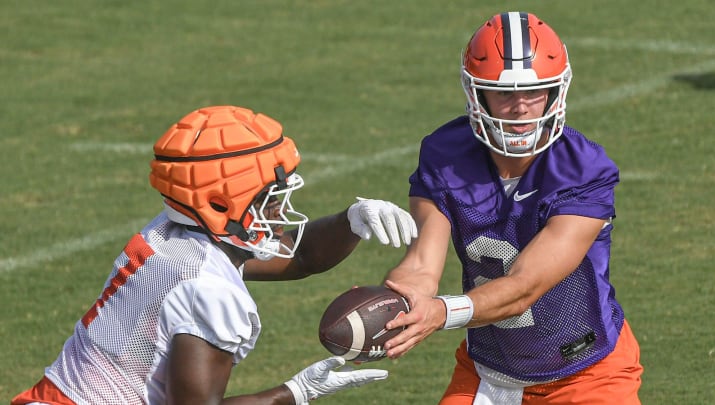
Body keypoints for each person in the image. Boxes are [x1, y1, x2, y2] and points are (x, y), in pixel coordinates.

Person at [12, 105, 417, 405]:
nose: (279, 212)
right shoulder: (208, 289)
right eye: (270, 201)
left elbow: (302, 255)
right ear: (219, 205)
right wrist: (294, 392)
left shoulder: (171, 234)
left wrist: (351, 220)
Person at [381, 11, 643, 405]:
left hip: (587, 374)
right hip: (487, 372)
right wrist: (399, 303)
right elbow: (421, 265)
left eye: (534, 92)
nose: (520, 107)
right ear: (477, 93)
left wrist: (441, 313)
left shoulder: (583, 169)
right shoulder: (444, 154)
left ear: (556, 92)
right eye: (504, 93)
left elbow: (524, 288)